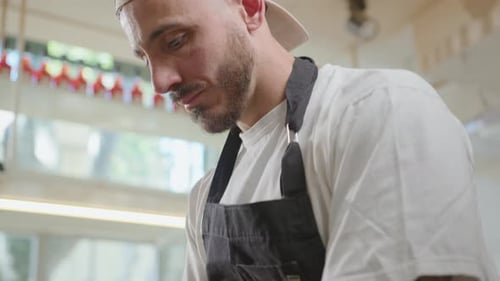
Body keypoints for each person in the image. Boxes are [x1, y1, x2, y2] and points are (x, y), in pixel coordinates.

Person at [115, 0, 499, 280]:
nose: (160, 82)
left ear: (249, 8)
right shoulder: (204, 201)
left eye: (176, 41)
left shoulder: (379, 110)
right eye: (145, 58)